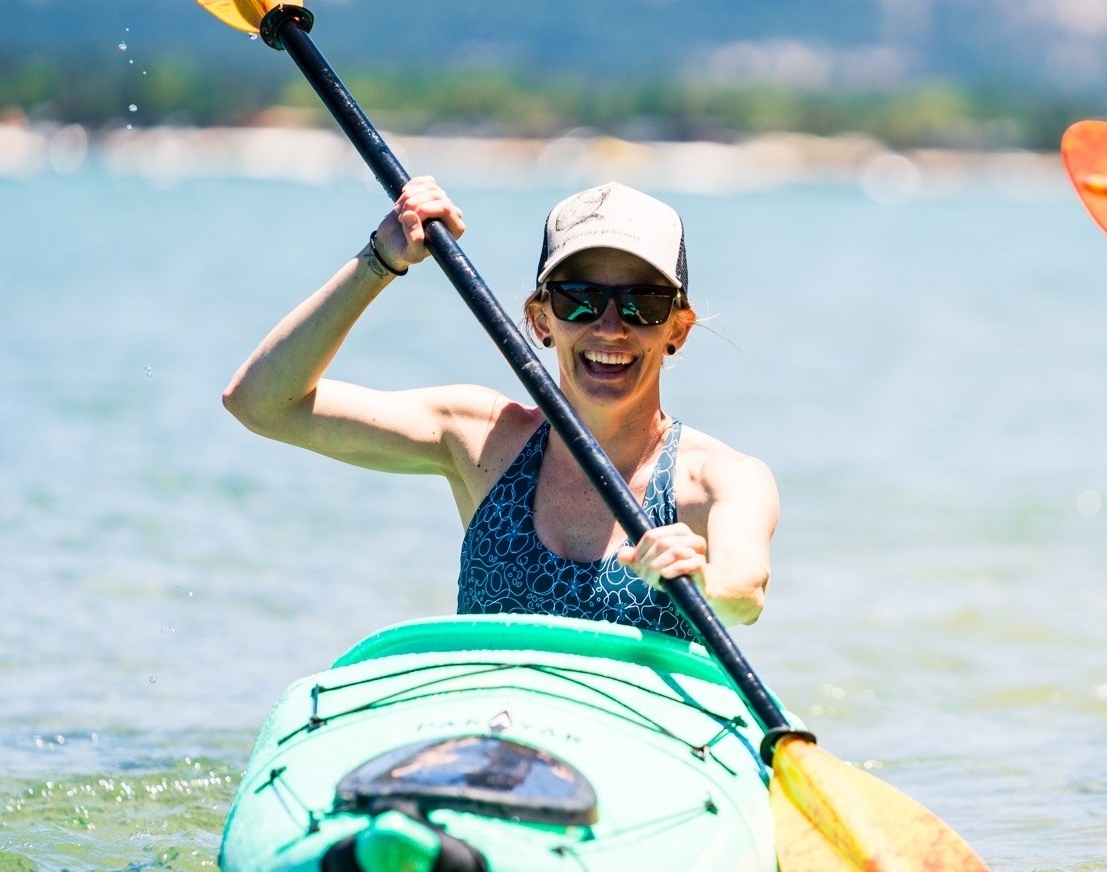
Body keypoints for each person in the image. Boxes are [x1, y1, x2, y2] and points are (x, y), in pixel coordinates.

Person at [224, 177, 778, 639]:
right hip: (493, 732)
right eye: (578, 299)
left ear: (678, 329)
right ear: (540, 320)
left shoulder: (721, 479)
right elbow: (262, 404)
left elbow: (745, 593)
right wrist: (381, 260)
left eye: (642, 303)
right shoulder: (481, 439)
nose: (610, 327)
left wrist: (702, 582)